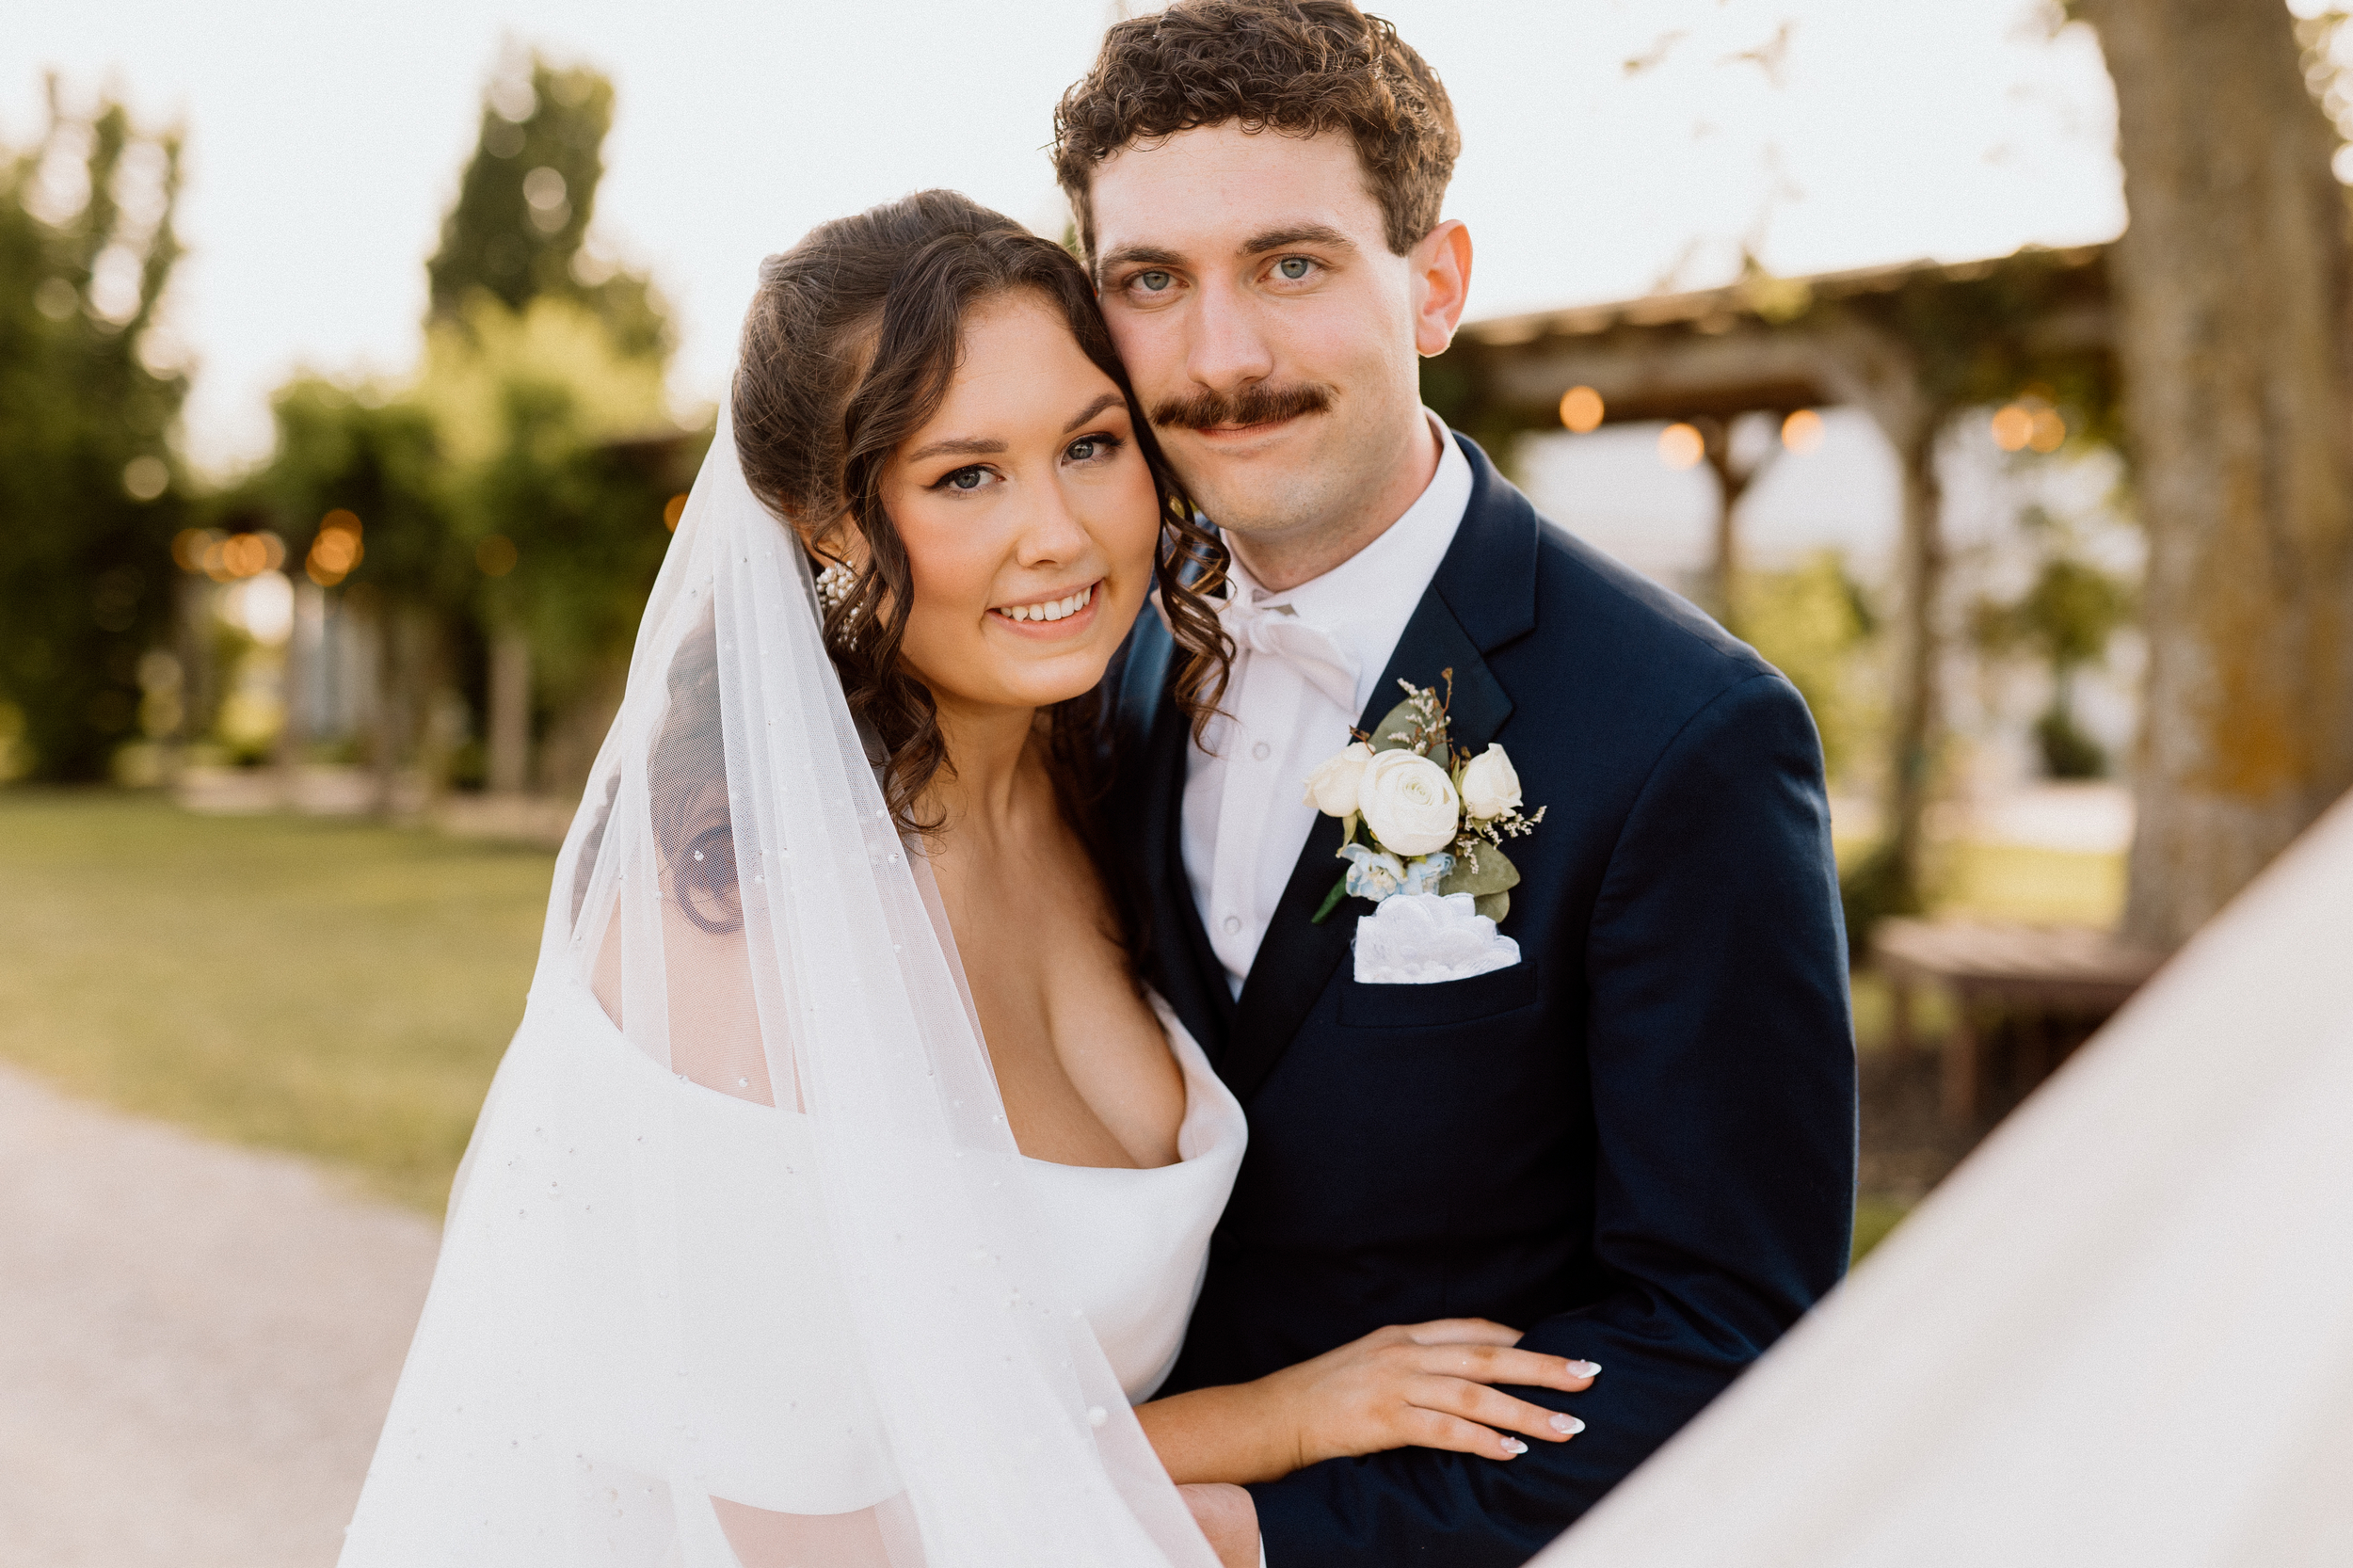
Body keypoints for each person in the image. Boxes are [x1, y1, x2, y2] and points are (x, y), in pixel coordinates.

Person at [341, 192, 1594, 1568]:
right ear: (823, 521)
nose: (1056, 532)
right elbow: (791, 1531)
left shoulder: (1118, 783)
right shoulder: (733, 926)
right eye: (965, 476)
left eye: (1090, 445)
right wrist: (1277, 1421)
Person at [1054, 3, 1860, 1563]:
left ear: (1435, 285)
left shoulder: (1685, 736)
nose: (1222, 358)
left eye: (1290, 263)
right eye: (1151, 282)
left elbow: (1726, 1334)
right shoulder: (1092, 663)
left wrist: (1261, 1532)